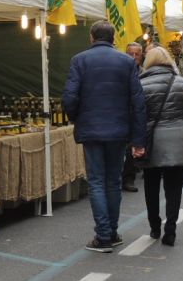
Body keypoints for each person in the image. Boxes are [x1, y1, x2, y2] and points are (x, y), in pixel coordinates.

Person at [62, 21, 146, 253]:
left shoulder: (79, 60)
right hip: (119, 131)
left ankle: (104, 236)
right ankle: (112, 231)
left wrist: (76, 117)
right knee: (113, 181)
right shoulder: (127, 62)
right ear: (114, 37)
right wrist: (139, 139)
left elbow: (70, 97)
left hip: (91, 129)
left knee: (97, 182)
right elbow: (138, 103)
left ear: (91, 37)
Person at [136, 46, 183, 246]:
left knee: (151, 185)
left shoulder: (141, 84)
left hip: (152, 140)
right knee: (174, 187)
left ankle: (154, 225)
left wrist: (136, 142)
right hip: (178, 137)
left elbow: (137, 116)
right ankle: (170, 228)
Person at [122, 42, 144, 193]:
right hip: (122, 113)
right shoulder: (120, 70)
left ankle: (129, 179)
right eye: (131, 54)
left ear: (141, 57)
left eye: (137, 54)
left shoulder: (144, 73)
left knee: (131, 148)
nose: (134, 57)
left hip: (136, 114)